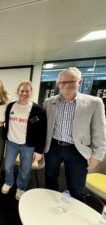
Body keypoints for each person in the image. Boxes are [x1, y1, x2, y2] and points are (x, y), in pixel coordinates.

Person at [44, 67, 106, 202]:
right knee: (50, 179)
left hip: (78, 150)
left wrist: (97, 155)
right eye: (62, 82)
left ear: (79, 82)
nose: (66, 85)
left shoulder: (94, 103)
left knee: (76, 187)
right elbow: (45, 127)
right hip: (53, 147)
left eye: (70, 81)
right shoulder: (49, 102)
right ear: (58, 84)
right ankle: (48, 206)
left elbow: (99, 130)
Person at [1, 81, 47, 200]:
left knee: (25, 169)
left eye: (27, 91)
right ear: (17, 92)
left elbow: (42, 132)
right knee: (7, 166)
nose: (24, 93)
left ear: (31, 92)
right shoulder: (11, 106)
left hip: (28, 145)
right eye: (22, 91)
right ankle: (9, 182)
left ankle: (21, 187)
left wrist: (39, 150)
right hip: (11, 143)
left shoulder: (38, 110)